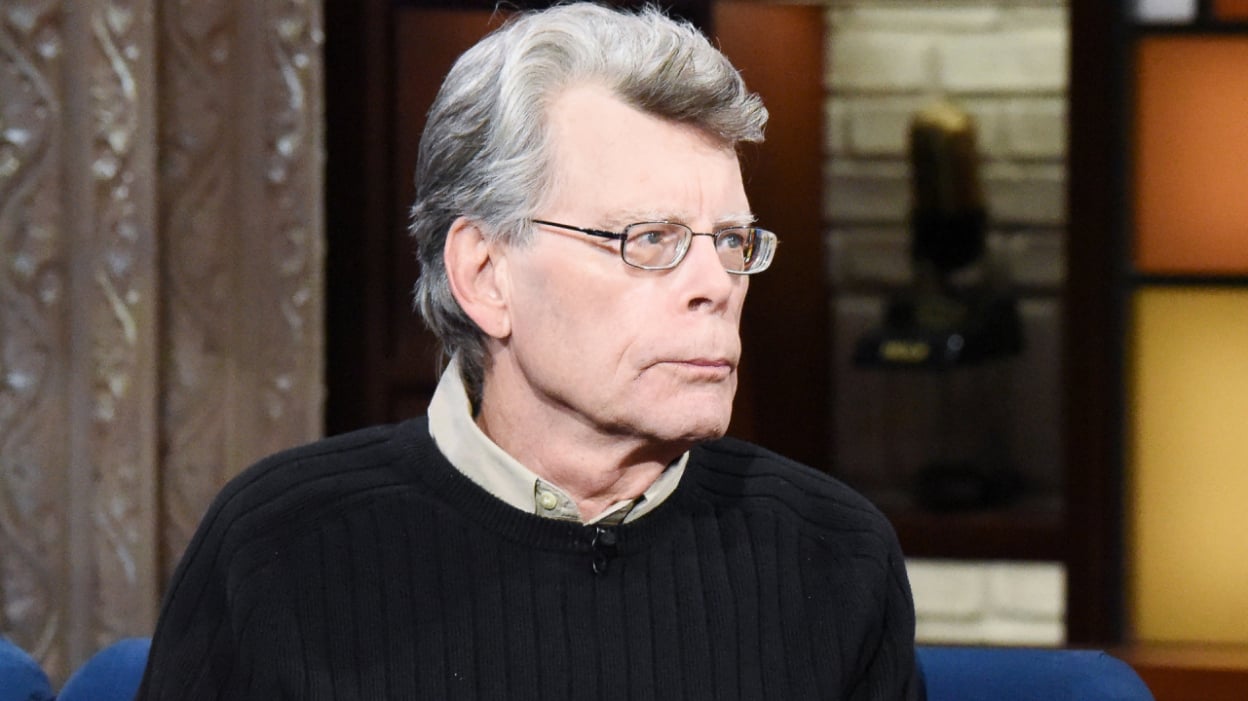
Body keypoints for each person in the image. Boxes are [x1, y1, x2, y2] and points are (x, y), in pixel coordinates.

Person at [136, 4, 923, 699]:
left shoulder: (835, 556)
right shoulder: (276, 545)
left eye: (730, 241)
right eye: (651, 239)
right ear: (485, 275)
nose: (715, 284)